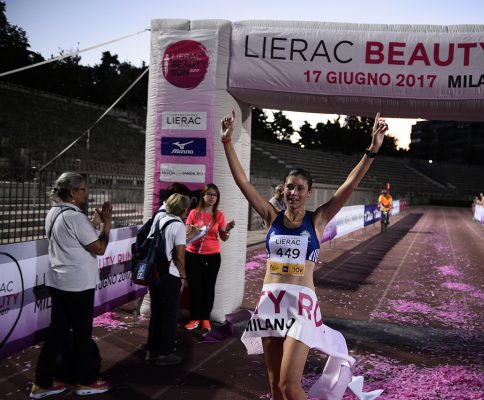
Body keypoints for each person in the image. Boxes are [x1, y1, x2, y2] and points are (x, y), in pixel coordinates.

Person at [221, 110, 388, 399]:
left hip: (301, 307)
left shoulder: (318, 220)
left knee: (289, 385)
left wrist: (371, 150)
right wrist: (227, 142)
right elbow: (243, 183)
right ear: (282, 190)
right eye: (289, 187)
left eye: (300, 188)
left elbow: (350, 185)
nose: (293, 192)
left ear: (309, 193)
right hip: (270, 304)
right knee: (274, 388)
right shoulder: (271, 217)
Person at [31, 172, 113, 398]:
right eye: (83, 189)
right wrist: (106, 225)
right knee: (81, 334)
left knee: (57, 332)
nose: (86, 193)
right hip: (77, 284)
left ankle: (42, 382)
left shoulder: (55, 212)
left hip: (59, 281)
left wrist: (93, 223)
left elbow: (72, 239)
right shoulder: (75, 217)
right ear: (73, 192)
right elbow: (99, 248)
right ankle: (86, 380)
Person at [145, 193, 190, 366]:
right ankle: (166, 353)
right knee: (170, 315)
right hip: (170, 274)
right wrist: (183, 276)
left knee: (156, 313)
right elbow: (179, 256)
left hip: (155, 273)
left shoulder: (159, 219)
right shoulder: (178, 225)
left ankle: (152, 349)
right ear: (184, 209)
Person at [183, 184, 235, 332]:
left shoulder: (219, 215)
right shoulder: (193, 213)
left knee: (208, 288)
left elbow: (224, 237)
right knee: (194, 288)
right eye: (209, 194)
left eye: (215, 195)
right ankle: (194, 318)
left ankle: (205, 319)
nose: (212, 197)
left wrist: (228, 229)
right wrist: (195, 230)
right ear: (203, 196)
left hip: (212, 256)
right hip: (193, 255)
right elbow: (186, 235)